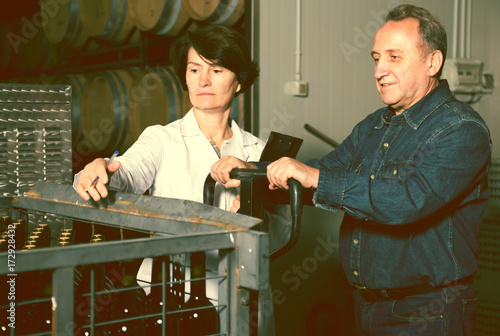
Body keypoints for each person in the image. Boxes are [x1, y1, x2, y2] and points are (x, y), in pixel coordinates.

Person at [211, 4, 492, 336]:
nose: (379, 70)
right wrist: (254, 172)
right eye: (376, 59)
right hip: (367, 306)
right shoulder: (375, 125)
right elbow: (321, 170)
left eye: (394, 57)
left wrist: (314, 177)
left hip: (429, 311)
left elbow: (406, 200)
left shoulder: (460, 129)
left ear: (433, 62)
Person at [74, 25, 287, 335]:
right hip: (170, 294)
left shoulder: (258, 150)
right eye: (194, 69)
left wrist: (255, 216)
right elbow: (128, 171)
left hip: (244, 294)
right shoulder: (162, 139)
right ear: (185, 77)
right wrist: (100, 170)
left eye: (216, 69)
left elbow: (283, 231)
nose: (203, 80)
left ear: (239, 81)